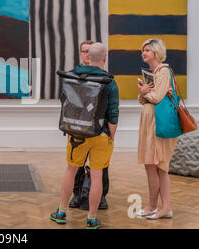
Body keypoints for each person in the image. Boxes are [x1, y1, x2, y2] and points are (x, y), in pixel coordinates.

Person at [50, 42, 119, 229]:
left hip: (77, 135)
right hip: (101, 134)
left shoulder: (72, 75)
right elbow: (113, 114)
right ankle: (92, 218)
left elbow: (65, 101)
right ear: (104, 58)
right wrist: (110, 137)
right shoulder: (110, 81)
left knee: (71, 171)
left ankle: (61, 212)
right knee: (97, 176)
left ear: (88, 56)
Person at [136, 39, 176, 219]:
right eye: (143, 50)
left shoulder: (164, 71)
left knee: (160, 166)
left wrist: (144, 92)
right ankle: (153, 205)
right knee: (150, 165)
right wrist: (143, 93)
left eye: (147, 50)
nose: (143, 53)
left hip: (157, 124)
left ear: (156, 52)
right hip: (149, 123)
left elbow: (157, 97)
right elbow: (142, 99)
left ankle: (165, 207)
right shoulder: (154, 73)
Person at [69, 40, 110, 210]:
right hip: (79, 128)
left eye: (89, 51)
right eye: (84, 51)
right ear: (80, 54)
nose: (87, 54)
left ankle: (100, 197)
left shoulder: (106, 78)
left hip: (99, 129)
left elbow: (110, 106)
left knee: (101, 167)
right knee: (76, 165)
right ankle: (78, 194)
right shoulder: (72, 75)